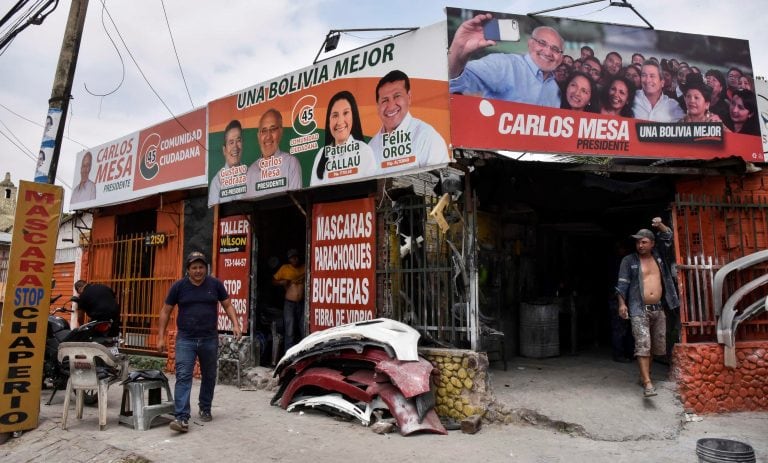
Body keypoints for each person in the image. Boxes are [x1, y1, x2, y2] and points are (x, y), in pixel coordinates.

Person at [157, 251, 242, 432]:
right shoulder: (179, 287)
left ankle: (205, 408)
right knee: (183, 375)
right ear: (188, 270)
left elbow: (227, 304)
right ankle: (181, 418)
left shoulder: (215, 284)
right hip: (185, 339)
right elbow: (165, 311)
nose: (198, 271)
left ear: (206, 268)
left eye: (201, 267)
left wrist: (235, 324)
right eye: (194, 267)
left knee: (209, 375)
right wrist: (161, 336)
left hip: (209, 338)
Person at [616, 218, 680, 398]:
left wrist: (659, 224)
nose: (640, 245)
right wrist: (622, 304)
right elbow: (622, 284)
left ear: (652, 243)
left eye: (643, 242)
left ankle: (645, 375)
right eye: (637, 242)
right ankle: (647, 383)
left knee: (656, 348)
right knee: (642, 345)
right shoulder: (629, 261)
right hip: (638, 308)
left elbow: (668, 236)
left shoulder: (660, 256)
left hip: (659, 309)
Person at [448, 14, 564, 108]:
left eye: (555, 49)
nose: (548, 52)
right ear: (530, 44)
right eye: (542, 43)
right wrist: (458, 49)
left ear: (561, 57)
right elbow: (453, 82)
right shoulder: (505, 65)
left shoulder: (556, 88)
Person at [369, 70, 449, 174]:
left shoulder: (427, 138)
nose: (391, 106)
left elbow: (442, 184)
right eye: (384, 100)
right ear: (378, 106)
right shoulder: (370, 148)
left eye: (397, 96)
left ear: (409, 97)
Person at [310, 90, 375, 186]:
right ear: (328, 121)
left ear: (354, 117)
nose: (340, 121)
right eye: (335, 115)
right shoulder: (320, 155)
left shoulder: (365, 151)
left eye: (345, 113)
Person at [243, 109, 302, 198]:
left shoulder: (290, 163)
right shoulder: (251, 172)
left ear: (281, 132)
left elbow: (296, 202)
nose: (268, 136)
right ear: (258, 136)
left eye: (273, 129)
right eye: (264, 130)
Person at [272, 248, 306, 352]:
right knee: (289, 331)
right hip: (289, 304)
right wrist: (281, 282)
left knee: (303, 329)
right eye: (292, 258)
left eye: (295, 257)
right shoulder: (284, 268)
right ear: (289, 259)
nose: (294, 260)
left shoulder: (305, 267)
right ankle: (288, 356)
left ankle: (304, 354)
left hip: (302, 303)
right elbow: (273, 281)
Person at [209, 119, 246, 205]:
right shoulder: (217, 182)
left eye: (238, 141)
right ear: (224, 150)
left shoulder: (251, 174)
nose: (235, 147)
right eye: (231, 142)